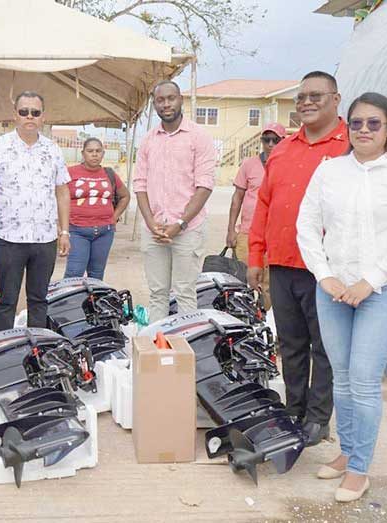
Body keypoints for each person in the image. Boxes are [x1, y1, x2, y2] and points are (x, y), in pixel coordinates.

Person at [297, 92, 387, 502]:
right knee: (340, 377)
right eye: (357, 123)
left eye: (373, 123)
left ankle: (359, 469)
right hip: (334, 289)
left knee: (362, 379)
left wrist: (370, 281)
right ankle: (348, 451)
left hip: (384, 289)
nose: (364, 130)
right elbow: (307, 226)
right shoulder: (330, 172)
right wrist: (324, 276)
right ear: (348, 127)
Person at [248, 71, 348, 446]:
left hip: (327, 270)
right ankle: (295, 410)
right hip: (283, 265)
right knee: (290, 344)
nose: (306, 102)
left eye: (315, 96)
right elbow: (265, 205)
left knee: (325, 347)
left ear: (336, 99)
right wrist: (256, 256)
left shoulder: (350, 148)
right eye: (301, 97)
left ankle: (319, 419)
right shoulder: (283, 149)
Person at [0, 91, 71, 331]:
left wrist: (64, 232)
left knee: (39, 300)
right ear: (15, 115)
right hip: (10, 238)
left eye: (35, 112)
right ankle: (3, 353)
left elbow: (62, 192)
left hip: (45, 238)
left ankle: (37, 355)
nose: (29, 116)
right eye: (24, 111)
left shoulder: (53, 150)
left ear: (42, 117)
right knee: (6, 301)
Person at [134, 80, 216, 322]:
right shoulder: (148, 140)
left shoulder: (199, 137)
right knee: (157, 293)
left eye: (171, 98)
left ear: (181, 100)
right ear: (154, 105)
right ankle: (158, 351)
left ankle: (186, 350)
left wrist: (180, 223)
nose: (166, 104)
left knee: (185, 293)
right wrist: (150, 222)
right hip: (155, 229)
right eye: (160, 100)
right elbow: (139, 184)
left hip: (188, 229)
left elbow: (204, 186)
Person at [226, 122, 285, 308]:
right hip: (247, 234)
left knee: (268, 285)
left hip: (275, 237)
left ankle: (264, 323)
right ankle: (244, 323)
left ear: (282, 141)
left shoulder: (287, 166)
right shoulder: (249, 165)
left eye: (275, 140)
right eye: (266, 139)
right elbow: (237, 199)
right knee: (244, 280)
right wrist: (230, 231)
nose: (270, 144)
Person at [63, 137, 130, 280]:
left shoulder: (109, 174)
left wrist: (114, 217)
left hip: (105, 233)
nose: (94, 154)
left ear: (103, 154)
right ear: (83, 153)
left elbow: (125, 196)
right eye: (90, 151)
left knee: (96, 275)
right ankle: (71, 302)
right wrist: (61, 227)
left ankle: (93, 302)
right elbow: (58, 198)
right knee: (74, 274)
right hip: (77, 231)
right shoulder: (69, 173)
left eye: (98, 151)